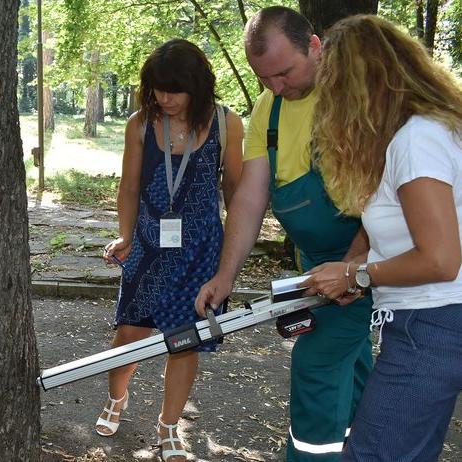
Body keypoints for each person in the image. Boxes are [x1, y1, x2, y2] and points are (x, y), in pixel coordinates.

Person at [194, 7, 373, 461]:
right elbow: (250, 199)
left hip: (366, 255)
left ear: (315, 45)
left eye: (284, 72)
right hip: (316, 264)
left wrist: (354, 266)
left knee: (317, 364)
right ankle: (368, 448)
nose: (277, 86)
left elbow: (386, 196)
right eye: (265, 78)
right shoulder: (267, 108)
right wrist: (225, 276)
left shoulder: (357, 94)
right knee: (351, 370)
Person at [299, 15, 462, 461]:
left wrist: (358, 273)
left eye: (331, 86)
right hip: (428, 320)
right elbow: (393, 228)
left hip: (433, 322)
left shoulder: (417, 140)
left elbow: (441, 259)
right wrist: (354, 271)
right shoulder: (425, 132)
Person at [100, 38, 243, 461]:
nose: (165, 98)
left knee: (185, 342)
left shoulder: (226, 123)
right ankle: (116, 399)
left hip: (201, 252)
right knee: (130, 334)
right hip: (147, 247)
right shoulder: (141, 122)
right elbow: (128, 187)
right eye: (158, 89)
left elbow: (236, 189)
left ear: (197, 86)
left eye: (174, 90)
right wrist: (125, 235)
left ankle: (168, 427)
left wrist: (234, 251)